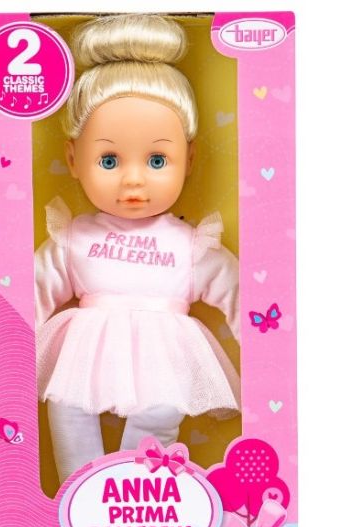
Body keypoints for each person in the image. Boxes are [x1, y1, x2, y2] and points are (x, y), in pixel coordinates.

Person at [35, 14, 241, 483]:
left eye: (156, 160)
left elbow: (241, 296)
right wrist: (1, 346)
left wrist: (270, 352)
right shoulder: (74, 238)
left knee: (161, 411)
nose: (133, 179)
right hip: (83, 351)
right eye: (109, 160)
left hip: (164, 353)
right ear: (73, 159)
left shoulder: (191, 246)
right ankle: (79, 491)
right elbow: (31, 291)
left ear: (188, 159)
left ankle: (140, 488)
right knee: (67, 408)